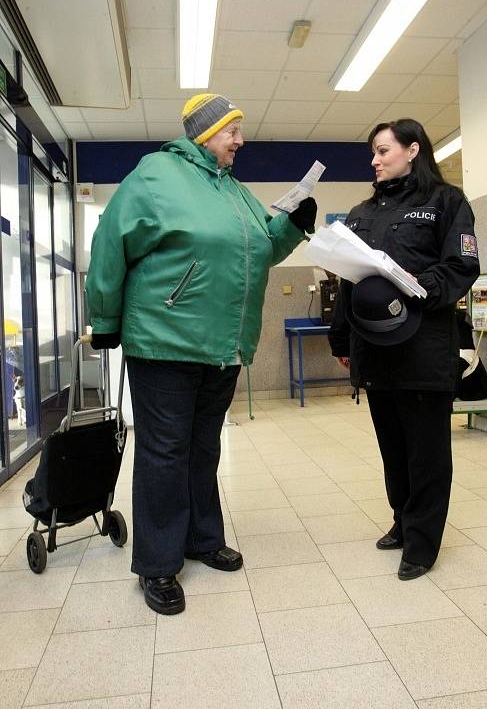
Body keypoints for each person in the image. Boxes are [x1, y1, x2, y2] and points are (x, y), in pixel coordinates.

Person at [85, 93, 316, 614]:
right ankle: (158, 564)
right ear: (205, 134)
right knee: (165, 453)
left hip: (223, 347)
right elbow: (109, 242)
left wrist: (294, 225)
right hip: (166, 340)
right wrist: (104, 318)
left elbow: (263, 247)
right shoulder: (156, 175)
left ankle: (201, 538)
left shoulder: (234, 190)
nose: (240, 140)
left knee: (203, 447)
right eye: (233, 130)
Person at [328, 118, 480, 580]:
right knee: (392, 446)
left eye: (382, 151)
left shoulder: (447, 202)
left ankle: (422, 541)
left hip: (424, 347)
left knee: (427, 450)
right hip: (375, 349)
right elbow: (348, 280)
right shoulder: (360, 213)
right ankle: (402, 518)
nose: (374, 161)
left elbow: (462, 264)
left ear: (413, 150)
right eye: (373, 153)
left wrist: (416, 287)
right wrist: (341, 337)